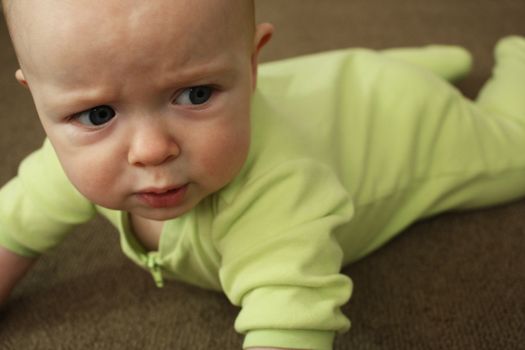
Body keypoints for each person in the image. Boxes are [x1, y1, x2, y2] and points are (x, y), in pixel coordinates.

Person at [0, 0, 524, 349]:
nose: (152, 150)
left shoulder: (281, 191)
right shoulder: (65, 160)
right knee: (348, 75)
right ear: (40, 103)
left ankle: (513, 59)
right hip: (326, 84)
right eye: (98, 115)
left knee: (514, 155)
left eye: (196, 94)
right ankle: (425, 61)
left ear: (251, 65)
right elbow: (11, 228)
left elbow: (291, 324)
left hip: (401, 122)